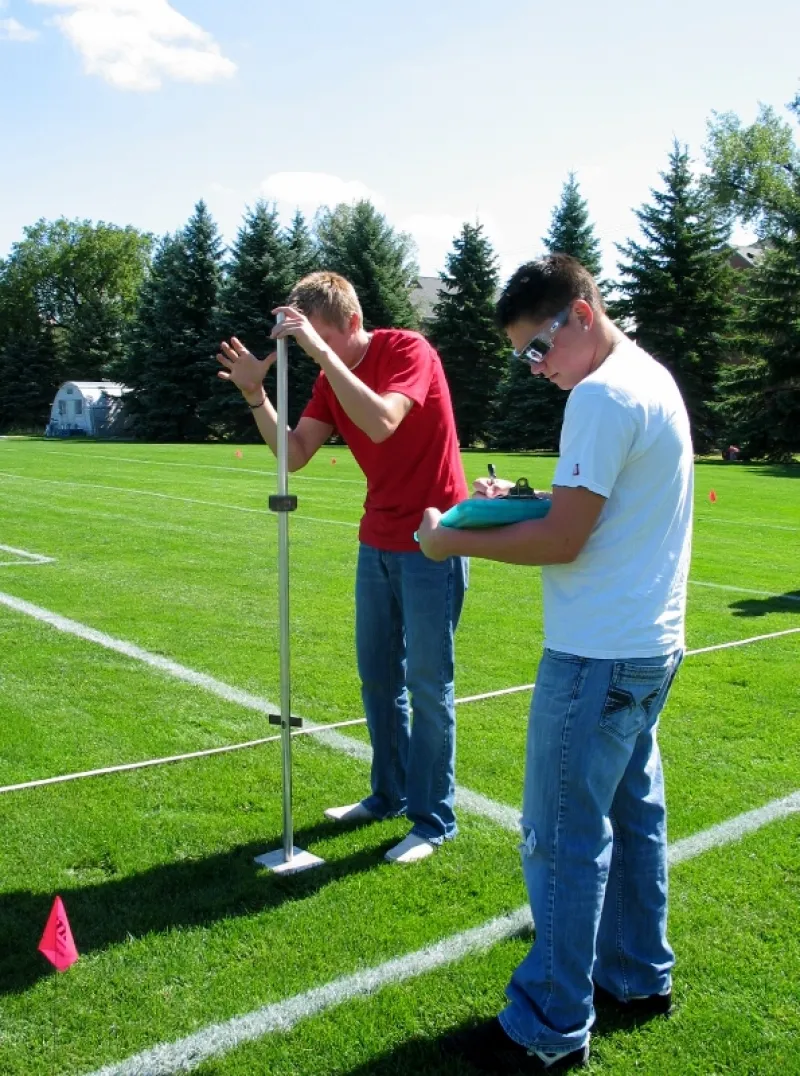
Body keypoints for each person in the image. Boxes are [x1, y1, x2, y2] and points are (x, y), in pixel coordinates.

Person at [417, 254, 693, 1071]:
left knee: (563, 838)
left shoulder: (601, 397)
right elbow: (590, 514)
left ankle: (547, 1026)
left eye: (537, 349)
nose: (534, 369)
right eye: (522, 357)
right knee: (634, 820)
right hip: (649, 646)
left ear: (579, 313)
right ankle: (639, 977)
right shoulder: (645, 377)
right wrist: (517, 506)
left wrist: (450, 539)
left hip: (598, 654)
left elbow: (566, 540)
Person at [217, 271, 469, 865]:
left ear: (351, 324)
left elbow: (384, 418)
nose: (307, 352)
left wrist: (321, 353)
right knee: (378, 678)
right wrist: (257, 394)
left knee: (428, 686)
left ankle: (434, 820)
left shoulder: (409, 349)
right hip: (377, 538)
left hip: (435, 539)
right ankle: (388, 795)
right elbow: (295, 454)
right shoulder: (332, 380)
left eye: (317, 337)